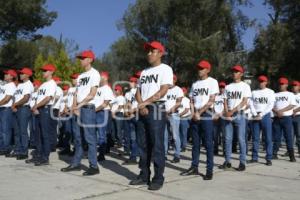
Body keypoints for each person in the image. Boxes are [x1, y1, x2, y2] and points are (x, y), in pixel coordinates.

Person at [130, 41, 173, 191]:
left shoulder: (165, 69)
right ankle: (144, 175)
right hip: (143, 108)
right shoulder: (144, 72)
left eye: (152, 51)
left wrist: (145, 103)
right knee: (142, 144)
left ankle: (158, 177)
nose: (149, 54)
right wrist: (142, 104)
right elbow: (138, 91)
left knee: (157, 144)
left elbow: (164, 90)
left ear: (160, 53)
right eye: (147, 51)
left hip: (156, 108)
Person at [61, 50, 101, 175]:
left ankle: (94, 166)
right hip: (78, 109)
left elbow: (92, 94)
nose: (80, 60)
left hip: (88, 109)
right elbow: (76, 93)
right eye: (80, 58)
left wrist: (79, 105)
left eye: (83, 58)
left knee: (89, 138)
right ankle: (76, 163)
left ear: (90, 59)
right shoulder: (81, 76)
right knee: (77, 138)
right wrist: (74, 107)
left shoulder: (95, 74)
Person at [181, 60, 219, 180]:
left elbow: (212, 100)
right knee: (195, 143)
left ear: (208, 70)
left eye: (202, 68)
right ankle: (194, 166)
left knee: (208, 143)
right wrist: (192, 113)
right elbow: (191, 100)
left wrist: (199, 112)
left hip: (206, 114)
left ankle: (209, 170)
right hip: (195, 114)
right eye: (199, 68)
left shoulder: (212, 82)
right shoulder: (195, 84)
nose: (199, 70)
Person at [220, 65, 251, 171]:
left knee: (241, 139)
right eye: (233, 71)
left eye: (237, 72)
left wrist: (232, 111)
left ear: (241, 74)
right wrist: (226, 111)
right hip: (228, 114)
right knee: (227, 139)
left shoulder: (245, 86)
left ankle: (242, 162)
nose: (234, 73)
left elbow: (244, 101)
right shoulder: (228, 87)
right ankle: (227, 161)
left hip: (239, 114)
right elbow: (224, 100)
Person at [31, 64, 57, 166]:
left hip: (46, 109)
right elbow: (39, 97)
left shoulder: (52, 83)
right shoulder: (43, 85)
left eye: (45, 71)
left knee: (45, 134)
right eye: (43, 70)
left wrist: (36, 106)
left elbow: (48, 98)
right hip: (40, 109)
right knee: (38, 134)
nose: (43, 72)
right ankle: (39, 155)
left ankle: (45, 157)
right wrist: (36, 107)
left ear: (51, 72)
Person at [249, 75, 275, 166]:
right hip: (256, 115)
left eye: (263, 81)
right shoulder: (254, 92)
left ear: (266, 82)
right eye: (260, 81)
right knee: (255, 138)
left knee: (268, 138)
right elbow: (251, 104)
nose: (261, 83)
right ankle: (254, 157)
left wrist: (261, 114)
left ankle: (268, 158)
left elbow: (270, 105)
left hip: (265, 116)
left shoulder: (270, 92)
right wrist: (255, 114)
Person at [11, 68, 34, 159]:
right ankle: (18, 150)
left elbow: (26, 98)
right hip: (18, 108)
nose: (20, 75)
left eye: (22, 73)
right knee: (17, 131)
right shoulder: (20, 85)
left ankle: (24, 152)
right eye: (20, 73)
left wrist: (15, 105)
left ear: (28, 75)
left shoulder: (28, 84)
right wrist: (15, 105)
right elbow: (16, 97)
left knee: (23, 131)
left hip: (24, 108)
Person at [272, 77, 296, 162]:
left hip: (287, 118)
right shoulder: (275, 94)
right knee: (276, 137)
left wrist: (281, 111)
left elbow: (292, 105)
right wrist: (276, 111)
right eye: (280, 84)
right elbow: (271, 106)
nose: (281, 85)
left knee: (288, 137)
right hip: (276, 118)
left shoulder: (290, 94)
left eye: (282, 84)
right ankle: (274, 154)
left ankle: (291, 156)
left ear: (286, 85)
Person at [95, 71, 114, 161]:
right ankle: (95, 152)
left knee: (101, 134)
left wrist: (94, 110)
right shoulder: (98, 88)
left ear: (105, 78)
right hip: (96, 112)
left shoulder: (107, 89)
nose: (99, 79)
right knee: (95, 134)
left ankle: (101, 154)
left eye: (101, 77)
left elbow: (106, 103)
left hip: (102, 112)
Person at [164, 74, 184, 163]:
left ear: (175, 80)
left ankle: (177, 155)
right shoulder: (164, 89)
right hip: (164, 115)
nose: (170, 82)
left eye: (172, 80)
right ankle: (164, 154)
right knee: (164, 136)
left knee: (175, 136)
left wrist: (170, 111)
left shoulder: (178, 90)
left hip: (174, 115)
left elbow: (178, 103)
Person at [0, 70, 17, 156]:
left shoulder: (11, 85)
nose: (5, 75)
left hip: (6, 109)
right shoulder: (5, 85)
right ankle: (1, 146)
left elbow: (7, 99)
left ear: (11, 77)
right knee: (1, 130)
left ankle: (5, 148)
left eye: (7, 74)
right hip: (2, 108)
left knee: (5, 130)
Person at [213, 81, 226, 155]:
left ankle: (224, 151)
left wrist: (221, 114)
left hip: (223, 116)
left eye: (223, 87)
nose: (221, 89)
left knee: (224, 135)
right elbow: (213, 107)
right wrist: (214, 115)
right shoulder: (216, 96)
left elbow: (226, 107)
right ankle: (215, 150)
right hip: (215, 117)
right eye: (220, 87)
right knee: (215, 135)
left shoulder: (225, 96)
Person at [178, 87, 191, 152]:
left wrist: (179, 115)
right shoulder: (177, 99)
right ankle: (179, 145)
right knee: (178, 133)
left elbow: (187, 109)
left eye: (184, 91)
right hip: (177, 118)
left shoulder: (186, 100)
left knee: (183, 133)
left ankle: (183, 146)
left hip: (184, 118)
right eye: (182, 91)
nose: (182, 92)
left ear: (186, 92)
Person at [291, 81, 300, 157]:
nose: (294, 87)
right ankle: (290, 151)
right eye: (293, 86)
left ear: (299, 87)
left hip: (298, 117)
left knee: (299, 135)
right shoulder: (290, 95)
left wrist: (294, 111)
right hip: (290, 117)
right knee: (290, 135)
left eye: (296, 86)